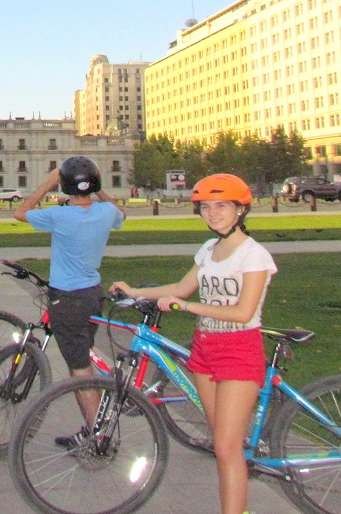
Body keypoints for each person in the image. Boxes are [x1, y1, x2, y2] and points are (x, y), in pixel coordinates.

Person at [109, 173, 277, 514]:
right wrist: (134, 291)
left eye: (222, 206)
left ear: (241, 210)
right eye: (206, 207)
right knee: (222, 445)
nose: (213, 214)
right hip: (205, 348)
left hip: (238, 349)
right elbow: (182, 288)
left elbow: (244, 312)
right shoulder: (209, 249)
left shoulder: (254, 255)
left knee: (229, 449)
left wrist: (187, 307)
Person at [10, 156, 123, 428]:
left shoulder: (59, 215)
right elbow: (121, 213)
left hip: (66, 298)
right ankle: (93, 426)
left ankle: (97, 435)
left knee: (80, 368)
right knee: (82, 356)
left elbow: (20, 213)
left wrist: (47, 184)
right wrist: (96, 189)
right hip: (92, 294)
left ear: (64, 185)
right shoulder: (106, 212)